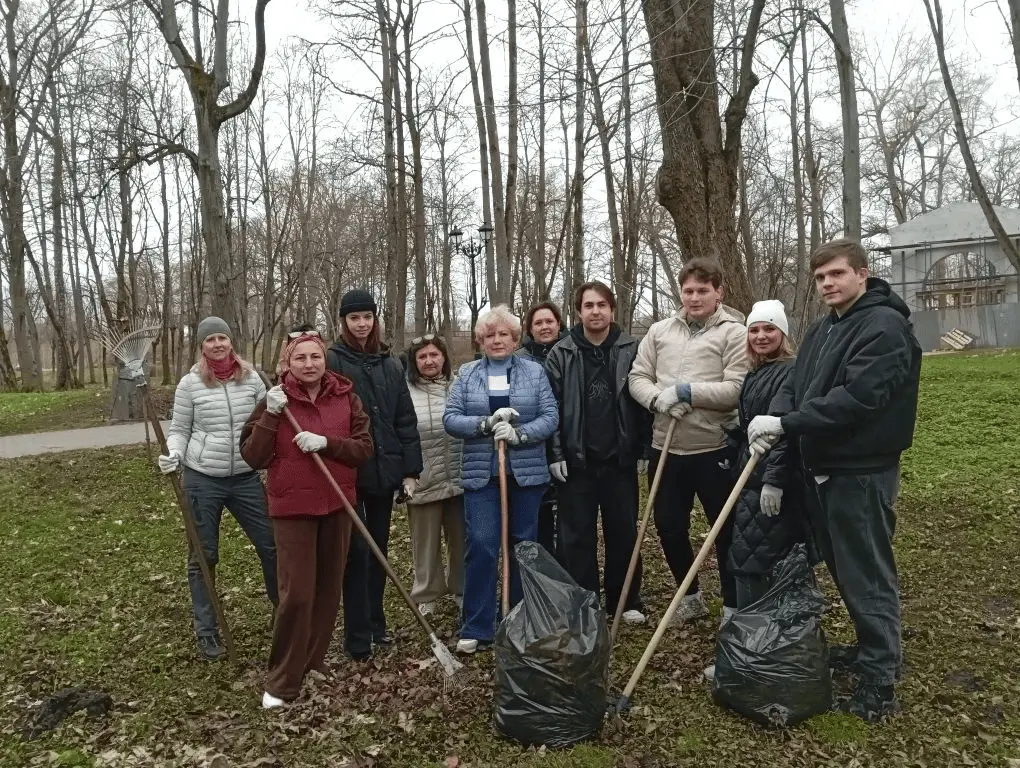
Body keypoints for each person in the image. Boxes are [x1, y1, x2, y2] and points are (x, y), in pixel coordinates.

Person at [748, 239, 921, 722]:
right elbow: (796, 388)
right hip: (821, 470)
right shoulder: (824, 328)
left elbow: (861, 397)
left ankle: (881, 679)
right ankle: (871, 651)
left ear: (862, 274)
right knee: (845, 569)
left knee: (867, 572)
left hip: (860, 472)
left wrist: (788, 425)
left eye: (837, 275)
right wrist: (776, 419)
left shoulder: (883, 326)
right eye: (821, 277)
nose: (827, 284)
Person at [240, 330, 373, 708]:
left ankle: (312, 664)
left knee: (329, 591)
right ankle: (282, 679)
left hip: (337, 504)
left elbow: (364, 449)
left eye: (315, 357)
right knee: (297, 595)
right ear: (288, 364)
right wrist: (270, 413)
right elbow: (253, 456)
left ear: (324, 359)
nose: (309, 364)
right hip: (292, 509)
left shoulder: (346, 397)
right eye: (301, 358)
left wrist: (327, 443)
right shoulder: (276, 399)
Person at [628, 258, 749, 624]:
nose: (694, 297)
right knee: (669, 526)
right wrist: (656, 400)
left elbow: (736, 388)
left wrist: (686, 392)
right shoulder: (660, 331)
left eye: (702, 290)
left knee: (724, 529)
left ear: (718, 292)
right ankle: (690, 595)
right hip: (666, 445)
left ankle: (733, 603)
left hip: (714, 447)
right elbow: (637, 376)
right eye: (688, 290)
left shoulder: (735, 332)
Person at [443, 305, 559, 654]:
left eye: (504, 334)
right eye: (490, 335)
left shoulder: (534, 372)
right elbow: (451, 419)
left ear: (514, 338)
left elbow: (551, 416)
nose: (497, 340)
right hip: (482, 475)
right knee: (481, 543)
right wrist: (485, 424)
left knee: (523, 544)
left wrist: (520, 434)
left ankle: (521, 617)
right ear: (480, 340)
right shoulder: (467, 375)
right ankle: (477, 625)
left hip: (525, 474)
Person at [161, 316, 278, 661]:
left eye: (222, 338)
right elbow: (180, 428)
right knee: (203, 555)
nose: (217, 344)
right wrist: (174, 453)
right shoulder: (190, 384)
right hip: (203, 478)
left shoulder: (253, 378)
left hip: (245, 476)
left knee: (272, 545)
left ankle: (282, 613)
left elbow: (267, 421)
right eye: (210, 339)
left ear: (231, 342)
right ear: (201, 346)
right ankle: (207, 630)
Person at [326, 289, 423, 658]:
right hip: (350, 470)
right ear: (344, 321)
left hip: (385, 471)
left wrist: (411, 469)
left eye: (367, 316)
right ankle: (357, 633)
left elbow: (404, 417)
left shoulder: (390, 362)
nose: (362, 324)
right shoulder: (334, 360)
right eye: (355, 318)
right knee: (357, 554)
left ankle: (376, 622)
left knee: (379, 549)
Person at [545, 282, 649, 625]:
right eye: (588, 305)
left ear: (612, 309)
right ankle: (582, 601)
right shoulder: (561, 353)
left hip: (619, 459)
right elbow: (553, 408)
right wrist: (556, 453)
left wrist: (643, 448)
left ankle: (626, 600)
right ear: (578, 312)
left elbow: (643, 404)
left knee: (623, 532)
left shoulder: (631, 348)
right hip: (577, 462)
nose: (595, 311)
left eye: (602, 304)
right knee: (576, 537)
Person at [725, 300, 803, 610]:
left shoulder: (791, 371)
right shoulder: (756, 372)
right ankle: (754, 630)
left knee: (758, 557)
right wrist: (731, 448)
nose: (761, 336)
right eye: (754, 330)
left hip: (768, 479)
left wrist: (775, 480)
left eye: (769, 329)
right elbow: (750, 425)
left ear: (782, 333)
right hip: (749, 475)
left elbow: (782, 429)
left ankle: (760, 631)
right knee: (748, 554)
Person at [404, 333, 465, 616]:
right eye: (422, 357)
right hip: (424, 478)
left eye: (434, 355)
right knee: (425, 542)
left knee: (461, 538)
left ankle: (462, 589)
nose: (429, 361)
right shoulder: (405, 391)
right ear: (414, 362)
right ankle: (427, 593)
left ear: (444, 357)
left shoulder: (459, 386)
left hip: (460, 475)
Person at [515, 300, 567, 558]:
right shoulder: (519, 360)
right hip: (532, 445)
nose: (545, 327)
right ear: (530, 329)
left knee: (569, 520)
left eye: (549, 321)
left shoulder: (572, 351)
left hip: (568, 444)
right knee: (540, 517)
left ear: (559, 324)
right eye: (538, 323)